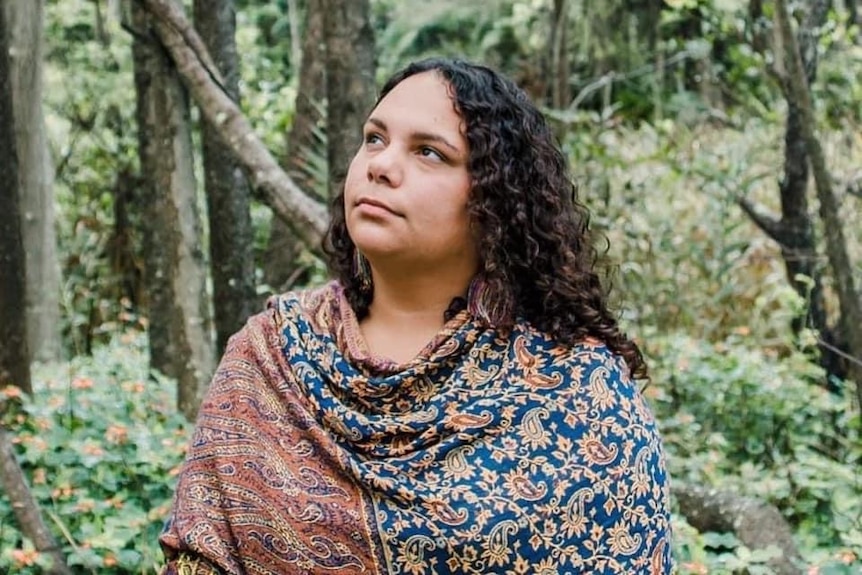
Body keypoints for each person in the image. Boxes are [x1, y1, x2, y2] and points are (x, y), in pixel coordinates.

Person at [159, 57, 672, 574]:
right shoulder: (270, 358)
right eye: (375, 138)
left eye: (428, 152)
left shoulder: (578, 392)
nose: (380, 165)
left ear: (494, 198)